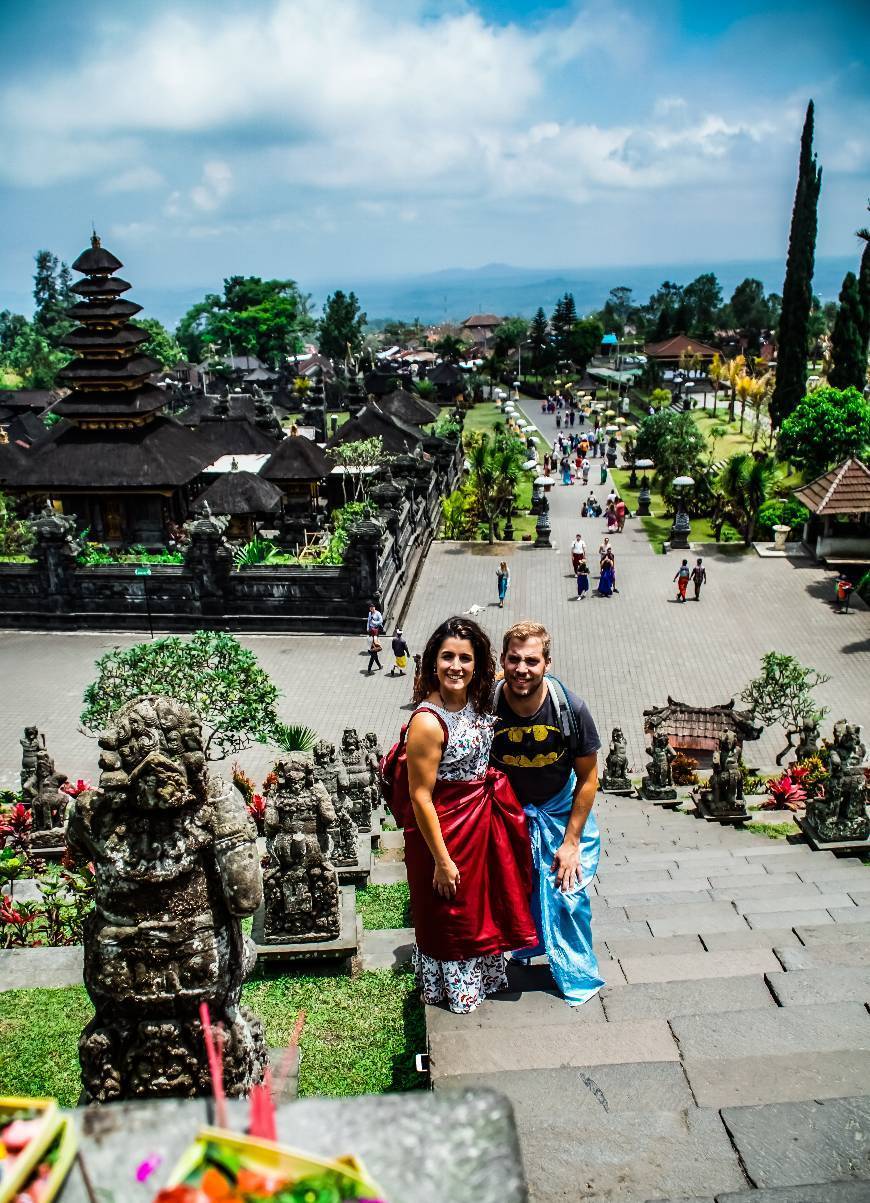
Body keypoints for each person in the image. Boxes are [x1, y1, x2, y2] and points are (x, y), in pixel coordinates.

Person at [402, 617, 537, 1012]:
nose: (455, 666)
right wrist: (441, 861)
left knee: (481, 907)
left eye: (465, 657)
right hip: (444, 828)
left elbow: (527, 677)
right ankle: (454, 989)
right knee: (452, 910)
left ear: (479, 664)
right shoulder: (428, 721)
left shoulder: (477, 700)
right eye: (447, 657)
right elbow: (420, 797)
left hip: (482, 820)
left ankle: (486, 975)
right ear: (432, 662)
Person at [490, 621, 604, 1006]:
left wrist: (571, 842)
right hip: (509, 813)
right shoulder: (486, 707)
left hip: (559, 811)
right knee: (512, 891)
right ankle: (522, 950)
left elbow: (589, 778)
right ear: (503, 661)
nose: (522, 669)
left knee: (568, 892)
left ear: (547, 664)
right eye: (514, 659)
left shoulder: (570, 709)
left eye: (532, 661)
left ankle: (576, 971)